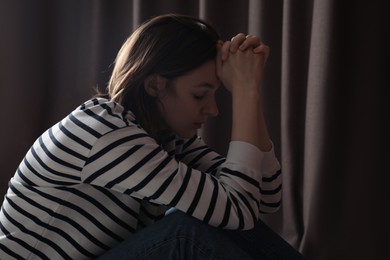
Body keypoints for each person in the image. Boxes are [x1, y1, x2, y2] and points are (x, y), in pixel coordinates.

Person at [0, 14, 306, 259]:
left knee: (210, 215)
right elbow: (237, 209)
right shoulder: (104, 132)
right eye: (200, 95)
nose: (213, 109)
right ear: (155, 85)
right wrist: (245, 91)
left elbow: (264, 197)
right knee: (185, 232)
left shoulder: (163, 138)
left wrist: (249, 90)